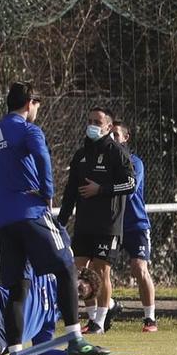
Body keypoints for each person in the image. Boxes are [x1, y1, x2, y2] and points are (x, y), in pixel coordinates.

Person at [0, 81, 102, 355]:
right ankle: (74, 337)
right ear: (29, 103)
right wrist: (47, 192)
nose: (37, 111)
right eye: (37, 105)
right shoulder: (28, 130)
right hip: (31, 212)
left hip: (4, 224)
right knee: (66, 266)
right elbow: (42, 156)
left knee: (17, 289)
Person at [56, 107, 135, 333]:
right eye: (89, 120)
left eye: (97, 121)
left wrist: (101, 189)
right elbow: (71, 192)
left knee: (101, 271)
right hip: (84, 224)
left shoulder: (116, 152)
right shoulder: (81, 155)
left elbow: (130, 184)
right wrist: (61, 222)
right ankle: (90, 320)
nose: (92, 124)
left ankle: (100, 321)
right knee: (78, 271)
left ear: (108, 126)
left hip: (107, 225)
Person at [114, 124, 158, 331]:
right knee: (97, 269)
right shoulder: (102, 162)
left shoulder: (135, 163)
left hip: (136, 225)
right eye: (109, 134)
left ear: (125, 137)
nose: (112, 138)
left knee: (139, 268)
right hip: (112, 225)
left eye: (116, 135)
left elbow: (129, 191)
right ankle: (102, 315)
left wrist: (104, 190)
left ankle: (150, 319)